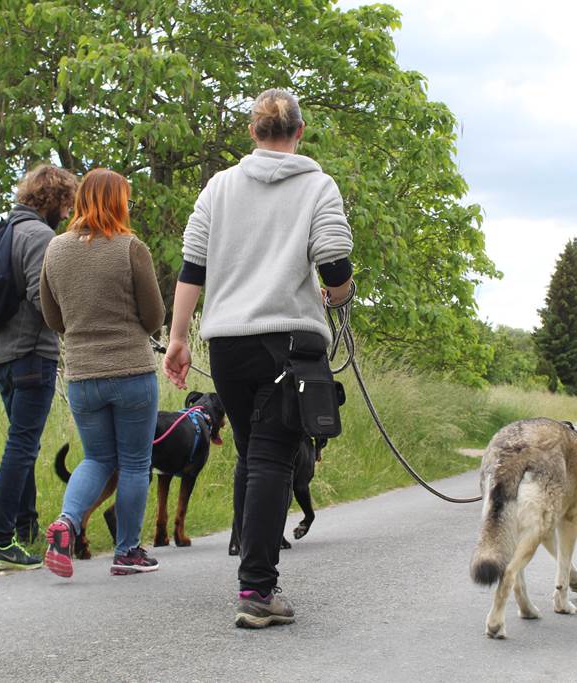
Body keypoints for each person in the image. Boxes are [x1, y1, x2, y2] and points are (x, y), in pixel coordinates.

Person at [163, 88, 354, 628]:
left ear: (253, 133)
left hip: (226, 344)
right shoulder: (318, 185)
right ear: (299, 131)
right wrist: (336, 298)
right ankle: (258, 590)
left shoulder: (219, 187)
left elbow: (192, 267)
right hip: (288, 343)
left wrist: (179, 338)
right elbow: (335, 264)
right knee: (272, 458)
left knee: (253, 455)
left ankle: (254, 577)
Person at [39, 168, 166, 578]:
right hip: (131, 371)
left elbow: (51, 316)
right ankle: (127, 551)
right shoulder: (130, 248)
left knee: (96, 458)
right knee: (133, 463)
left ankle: (66, 524)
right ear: (117, 202)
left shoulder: (55, 250)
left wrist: (81, 331)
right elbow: (154, 317)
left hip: (82, 374)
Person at [0, 164, 78, 570]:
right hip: (31, 354)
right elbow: (43, 299)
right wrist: (72, 325)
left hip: (0, 352)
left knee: (20, 443)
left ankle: (25, 528)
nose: (69, 213)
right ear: (53, 200)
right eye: (67, 204)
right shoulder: (40, 236)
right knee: (21, 447)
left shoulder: (5, 230)